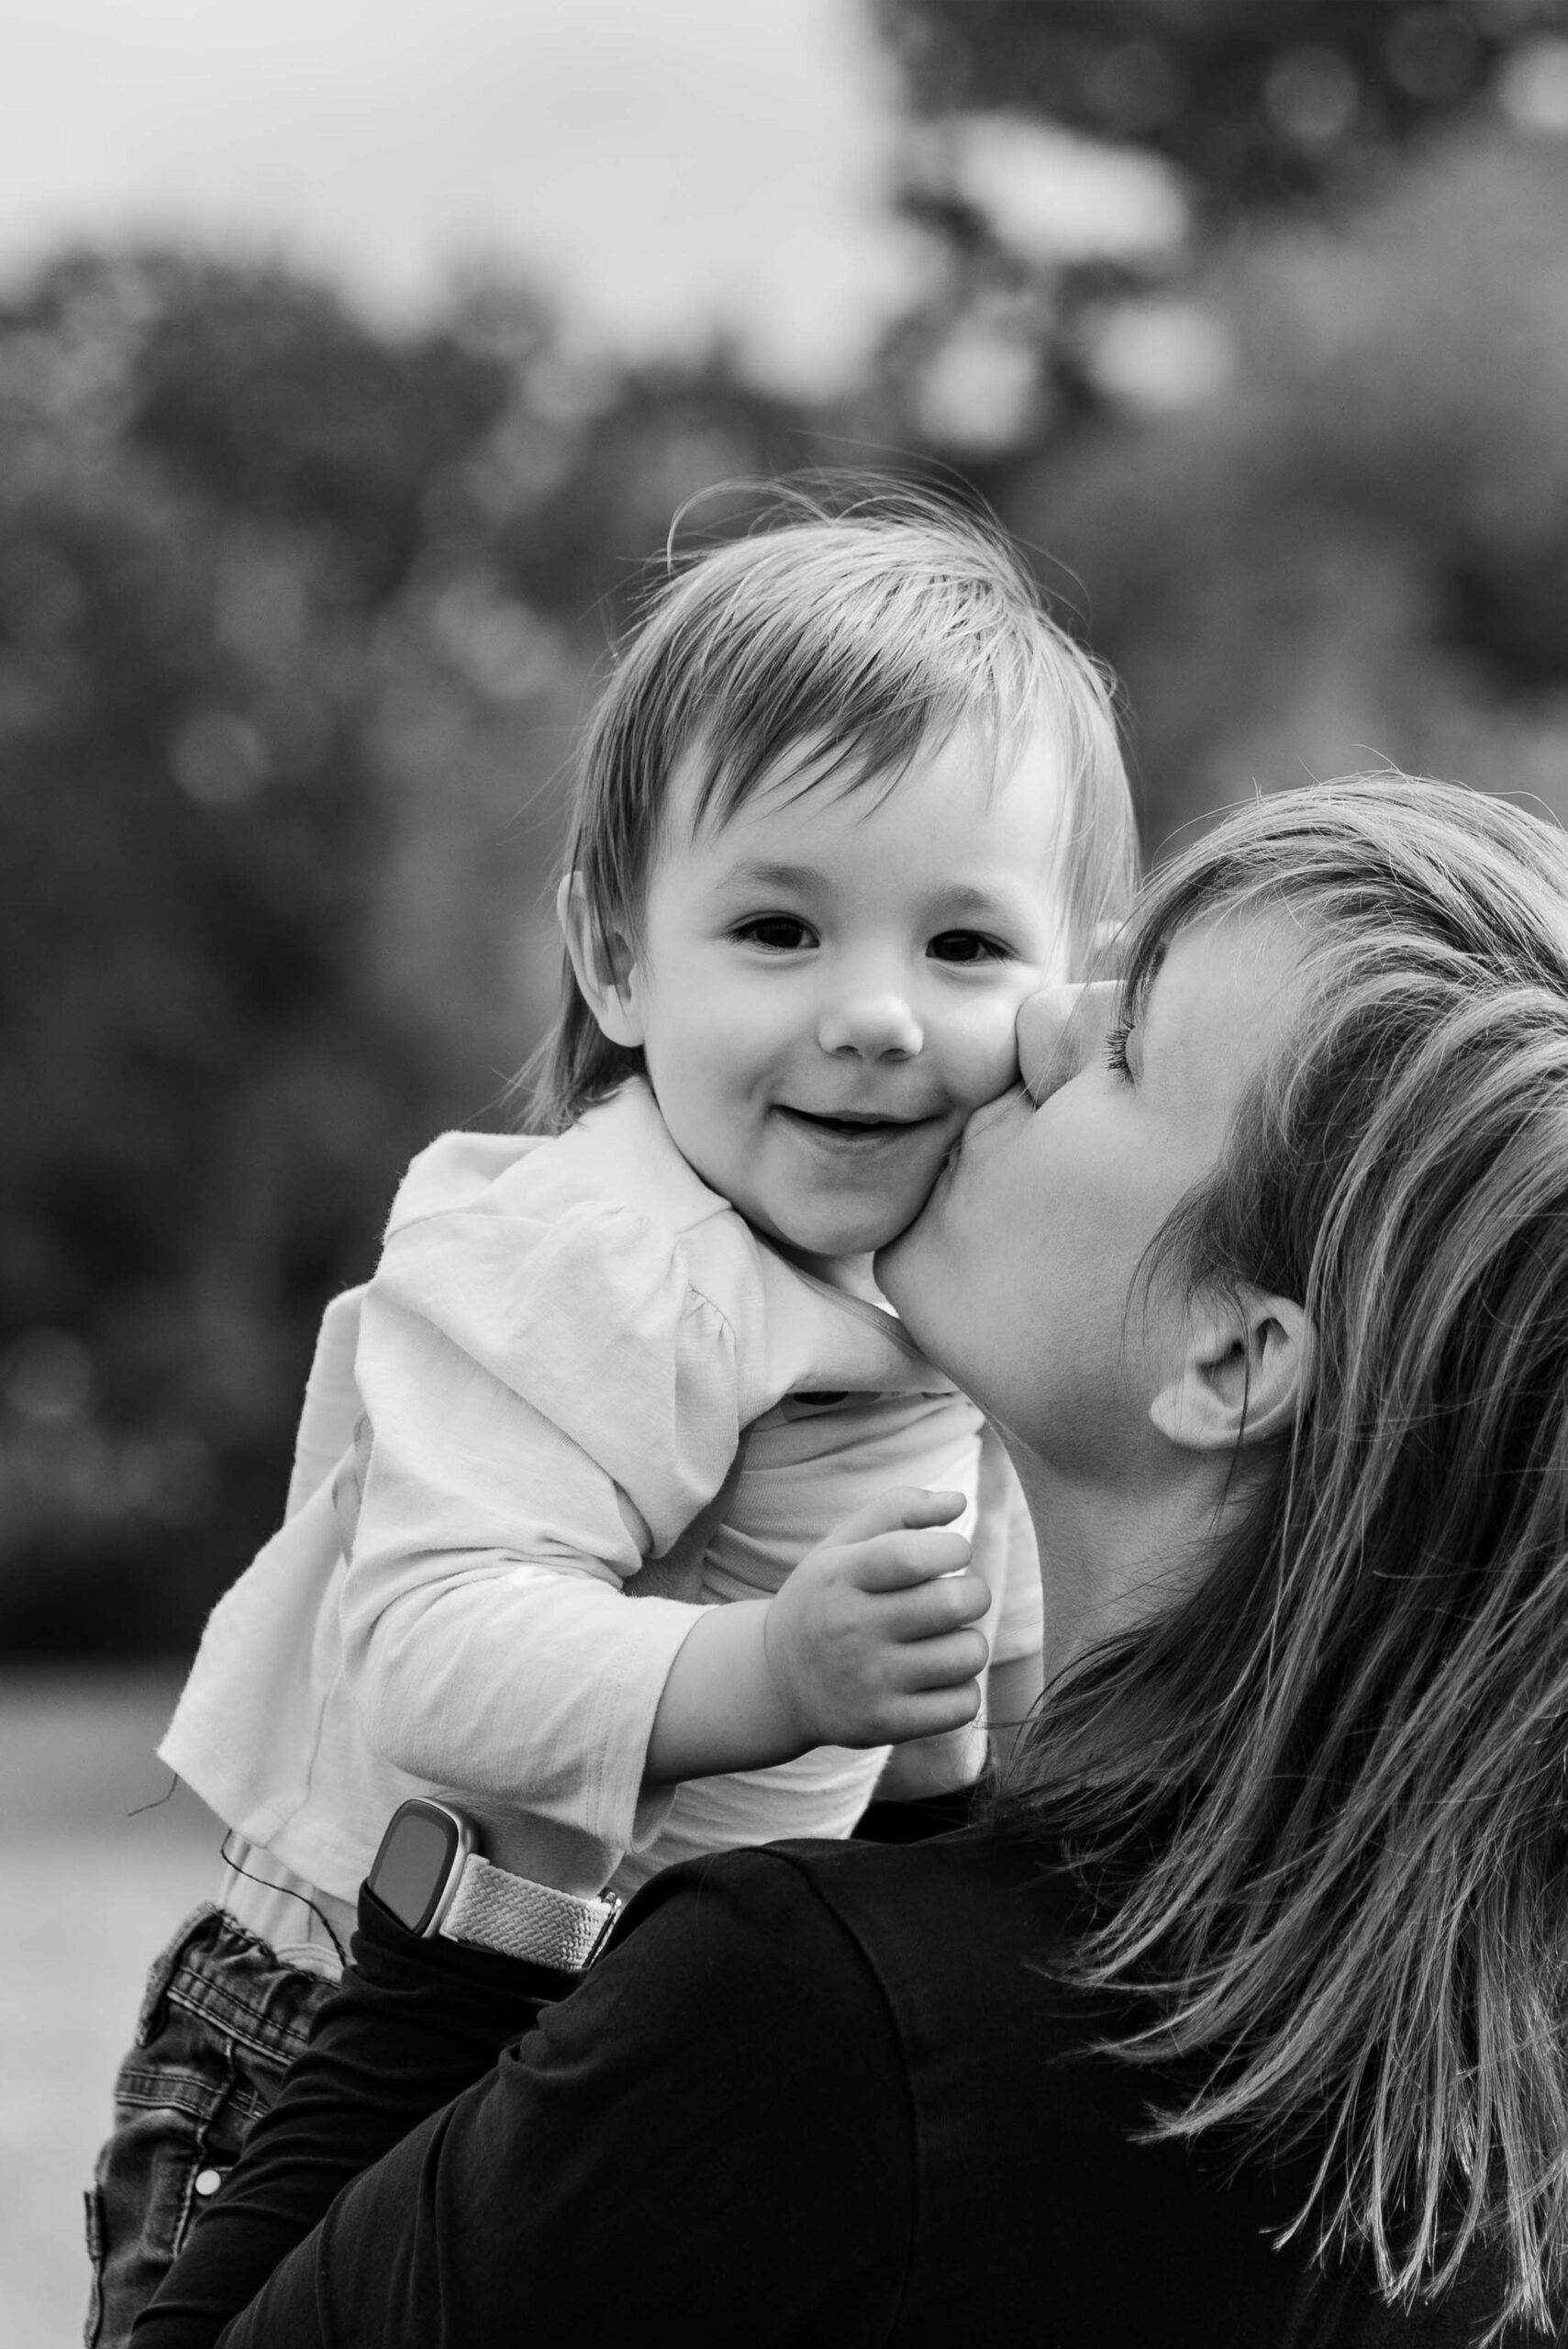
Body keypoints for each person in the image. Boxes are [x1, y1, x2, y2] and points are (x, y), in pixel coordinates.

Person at [139, 774, 1568, 2347]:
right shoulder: (1497, 2134)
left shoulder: (811, 2029)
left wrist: (481, 1920)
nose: (1032, 1024)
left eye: (1125, 1049)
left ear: (1230, 1360)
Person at [87, 485, 1137, 2344]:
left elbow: (969, 1685)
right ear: (617, 957)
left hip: (643, 2042)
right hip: (332, 2025)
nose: (878, 1014)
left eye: (966, 947)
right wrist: (767, 1672)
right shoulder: (600, 1257)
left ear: (1071, 992)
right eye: (780, 927)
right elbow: (427, 1645)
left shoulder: (950, 1272)